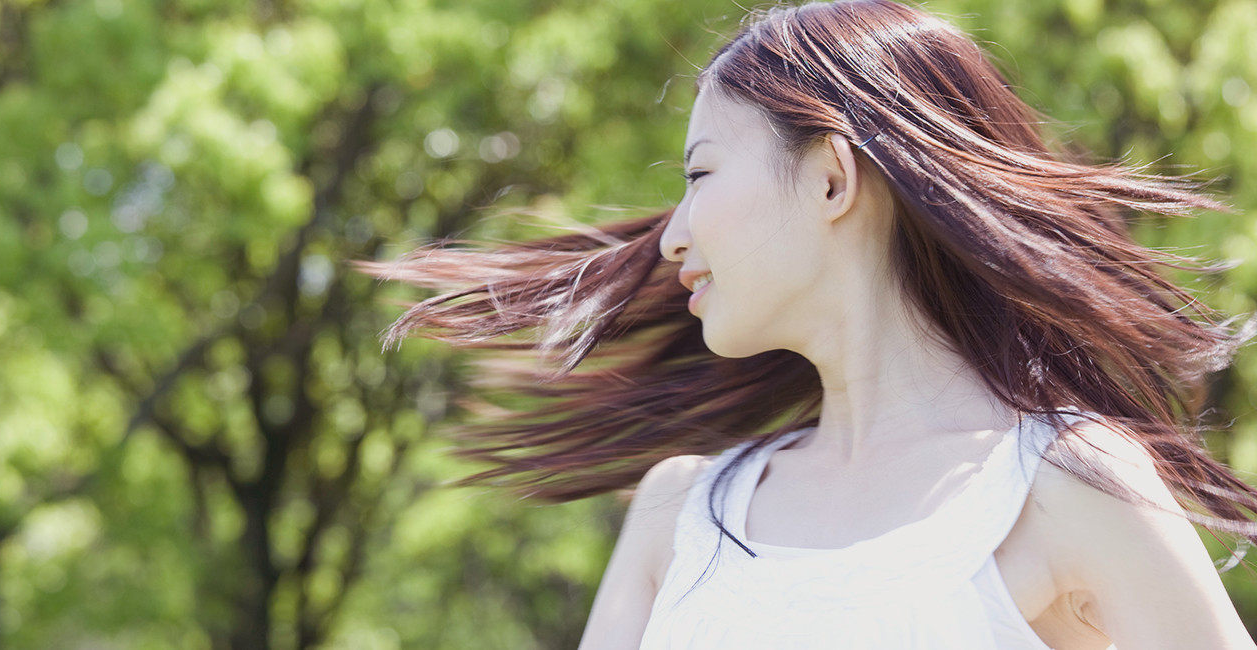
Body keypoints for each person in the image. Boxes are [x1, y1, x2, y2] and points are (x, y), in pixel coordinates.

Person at [352, 0, 1257, 648]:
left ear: (831, 178)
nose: (671, 234)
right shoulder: (681, 516)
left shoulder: (1060, 488)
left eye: (700, 175)